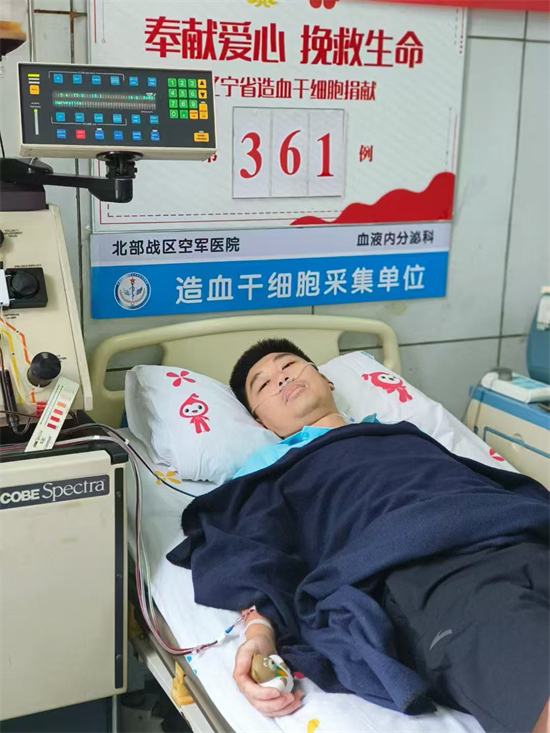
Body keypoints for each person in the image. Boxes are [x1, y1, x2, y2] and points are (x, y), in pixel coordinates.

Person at [225, 339, 550, 733]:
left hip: (517, 532)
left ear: (326, 379)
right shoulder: (268, 471)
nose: (282, 378)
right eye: (263, 384)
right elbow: (253, 551)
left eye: (289, 365)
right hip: (429, 572)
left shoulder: (402, 434)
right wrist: (259, 633)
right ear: (261, 422)